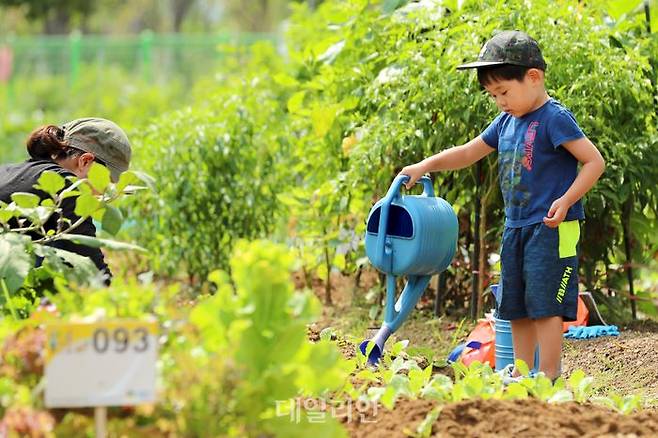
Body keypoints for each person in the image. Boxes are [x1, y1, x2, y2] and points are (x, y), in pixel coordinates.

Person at [399, 31, 605, 382]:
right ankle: (523, 372)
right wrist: (424, 166)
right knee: (516, 305)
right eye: (493, 96)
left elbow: (594, 162)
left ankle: (550, 374)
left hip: (552, 227)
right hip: (516, 227)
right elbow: (467, 152)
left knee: (546, 303)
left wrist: (567, 200)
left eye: (504, 92)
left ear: (533, 77)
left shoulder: (554, 118)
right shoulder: (506, 122)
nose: (499, 102)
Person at [0, 117, 132, 283]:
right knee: (63, 247)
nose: (103, 195)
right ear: (85, 161)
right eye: (106, 184)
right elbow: (92, 271)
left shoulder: (9, 171)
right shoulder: (67, 185)